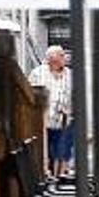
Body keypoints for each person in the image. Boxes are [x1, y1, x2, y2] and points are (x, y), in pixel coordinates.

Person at [28, 45, 73, 177]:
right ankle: (46, 176)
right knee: (44, 152)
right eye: (60, 56)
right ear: (49, 59)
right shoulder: (38, 73)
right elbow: (30, 94)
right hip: (42, 121)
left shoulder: (70, 75)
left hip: (63, 121)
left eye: (62, 56)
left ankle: (59, 177)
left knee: (62, 153)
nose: (63, 59)